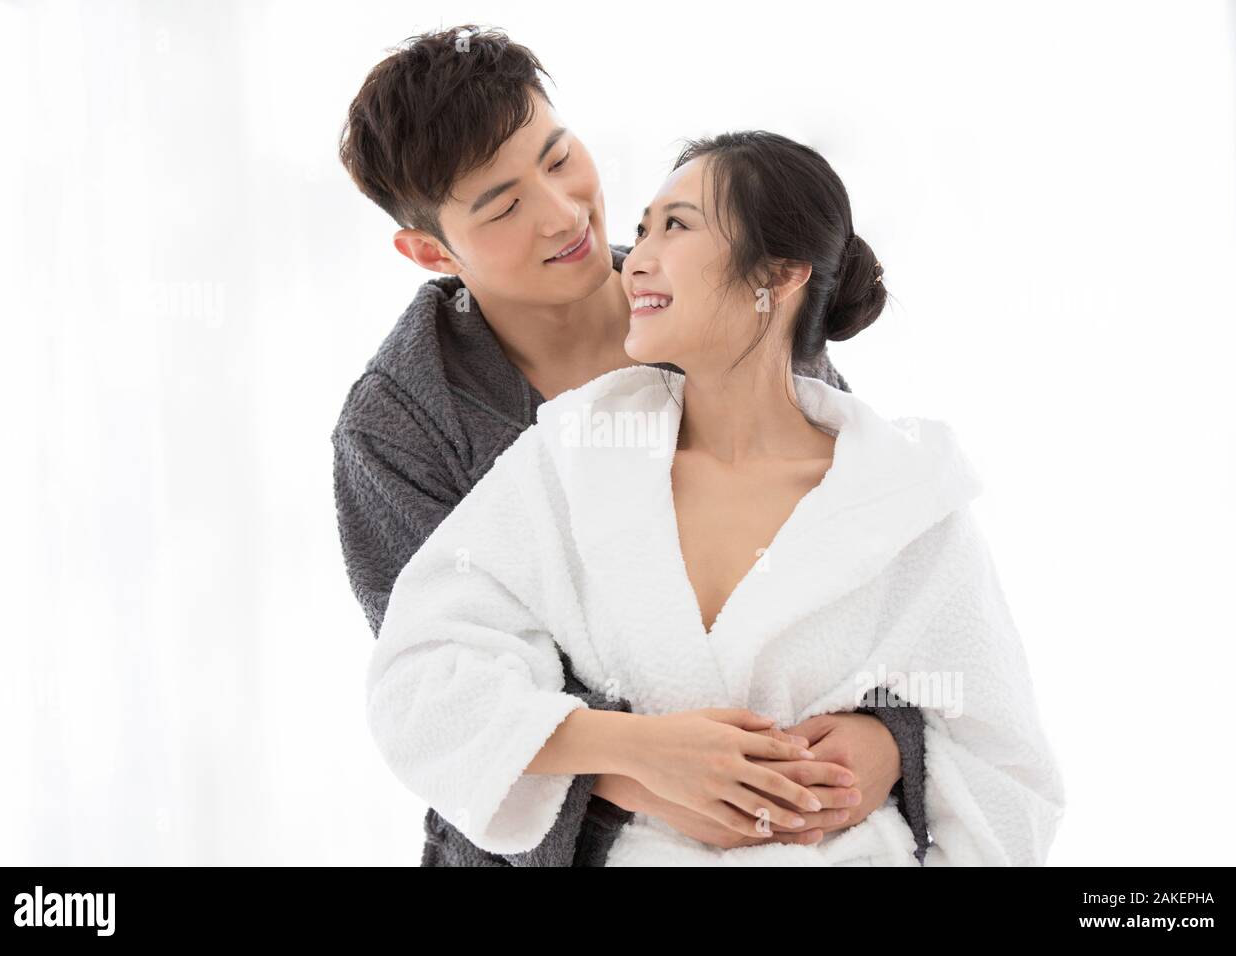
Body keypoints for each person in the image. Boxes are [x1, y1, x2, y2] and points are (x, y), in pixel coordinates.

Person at [365, 128, 1066, 865]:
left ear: (781, 273)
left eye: (676, 227)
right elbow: (420, 678)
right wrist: (632, 752)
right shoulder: (571, 457)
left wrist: (891, 743)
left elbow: (1004, 771)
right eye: (641, 231)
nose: (633, 261)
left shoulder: (904, 501)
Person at [334, 24, 929, 866]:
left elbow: (871, 569)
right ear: (429, 249)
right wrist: (639, 760)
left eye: (557, 156)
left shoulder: (722, 297)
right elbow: (438, 690)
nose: (562, 212)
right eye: (502, 206)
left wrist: (884, 739)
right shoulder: (400, 424)